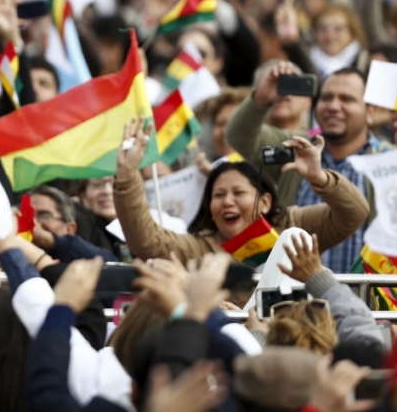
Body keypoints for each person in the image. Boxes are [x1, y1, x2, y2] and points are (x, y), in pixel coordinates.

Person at [112, 116, 368, 267]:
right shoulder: (200, 248)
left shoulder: (292, 226)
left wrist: (319, 177)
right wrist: (126, 177)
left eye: (238, 193)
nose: (228, 202)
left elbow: (354, 213)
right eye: (218, 195)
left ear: (266, 201)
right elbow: (146, 241)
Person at [225, 62, 393, 272]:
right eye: (326, 97)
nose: (333, 106)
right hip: (293, 300)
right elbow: (239, 136)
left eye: (346, 99)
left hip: (363, 298)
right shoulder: (295, 146)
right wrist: (261, 97)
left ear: (371, 110)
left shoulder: (388, 161)